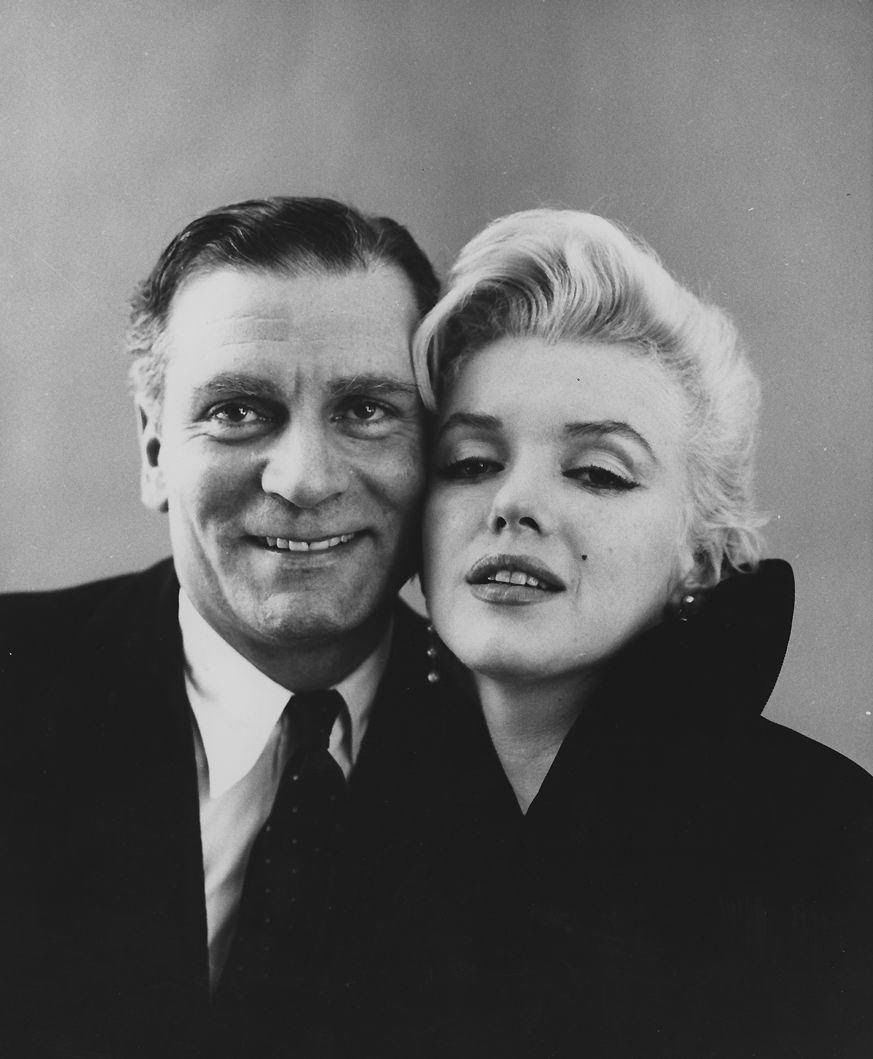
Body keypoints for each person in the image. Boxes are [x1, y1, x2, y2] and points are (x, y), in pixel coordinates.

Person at [331, 210, 873, 1058]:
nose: (513, 502)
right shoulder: (329, 807)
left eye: (595, 472)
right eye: (470, 463)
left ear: (700, 553)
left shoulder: (831, 840)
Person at [0, 196, 444, 1058]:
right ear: (154, 450)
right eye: (239, 410)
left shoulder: (514, 748)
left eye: (365, 410)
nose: (304, 479)